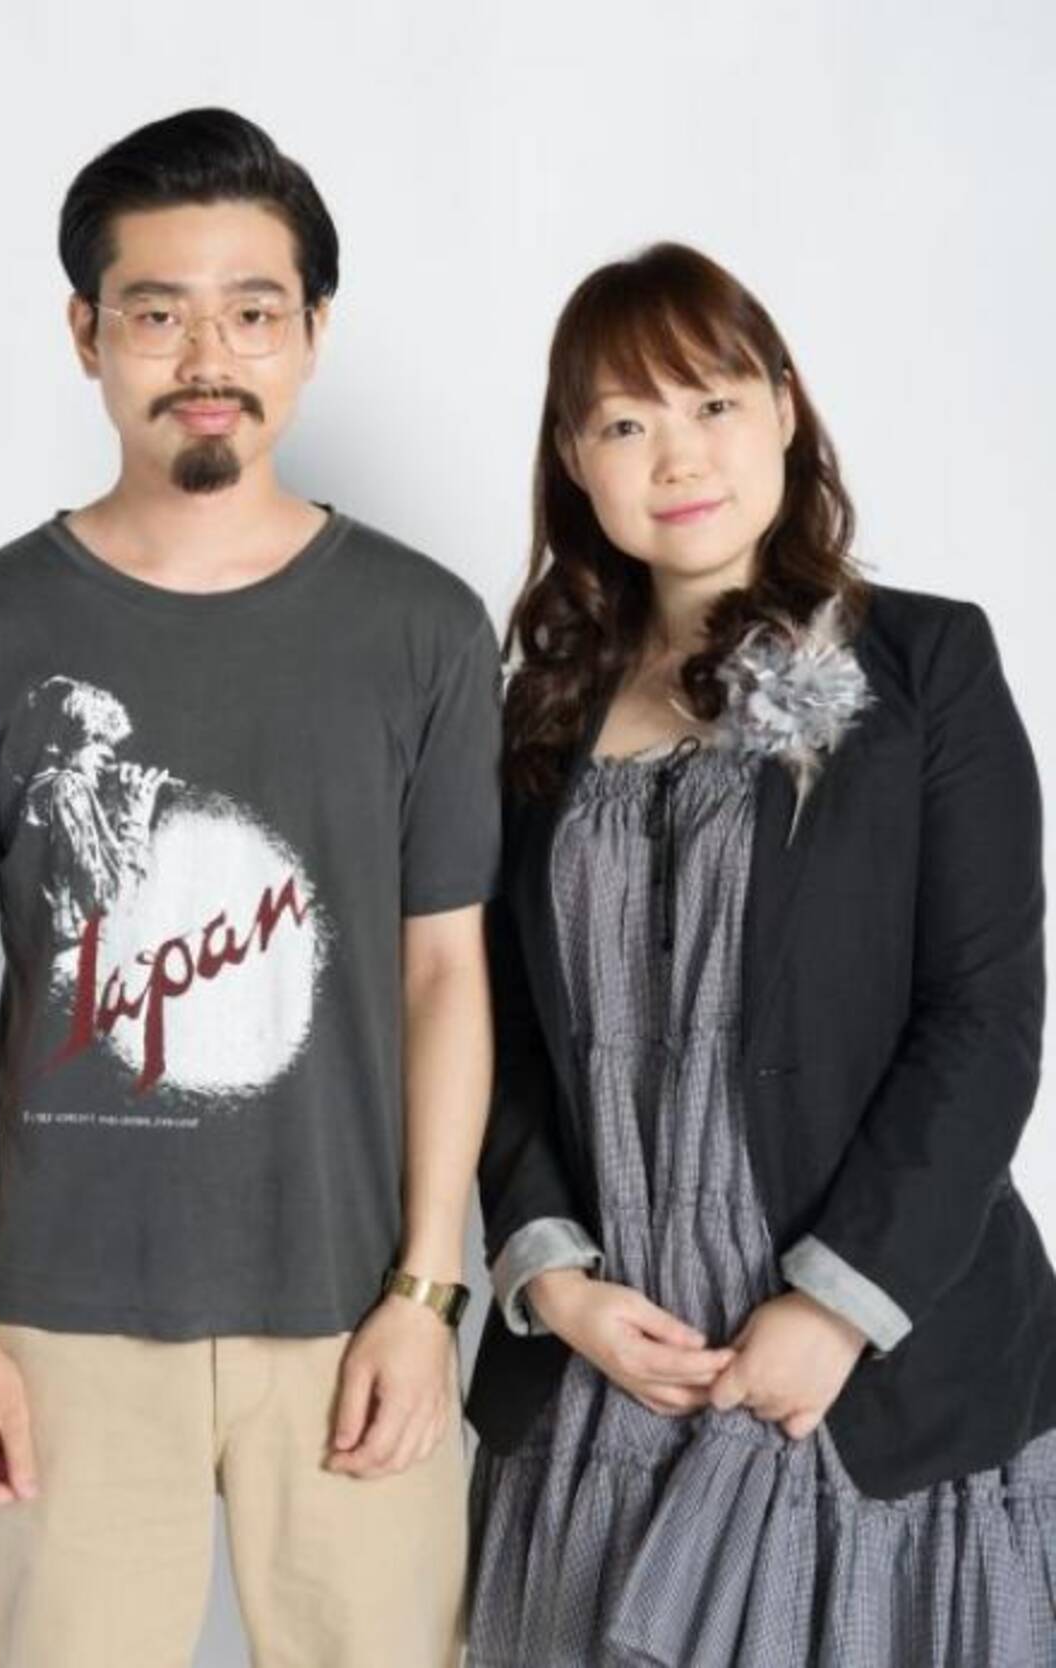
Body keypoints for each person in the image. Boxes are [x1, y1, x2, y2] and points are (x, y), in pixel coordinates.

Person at [0, 107, 502, 1668]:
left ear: (313, 331)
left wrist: (428, 1296)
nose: (208, 355)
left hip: (351, 1315)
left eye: (252, 311)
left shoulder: (422, 627)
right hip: (61, 1323)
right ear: (87, 333)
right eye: (157, 313)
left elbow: (444, 974)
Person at [461, 241, 1056, 1666]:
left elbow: (984, 1014)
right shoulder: (534, 720)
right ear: (574, 462)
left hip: (872, 1381)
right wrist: (554, 1283)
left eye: (714, 402)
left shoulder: (926, 667)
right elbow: (494, 1030)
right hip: (611, 1381)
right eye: (625, 423)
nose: (679, 456)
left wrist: (837, 1308)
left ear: (786, 406)